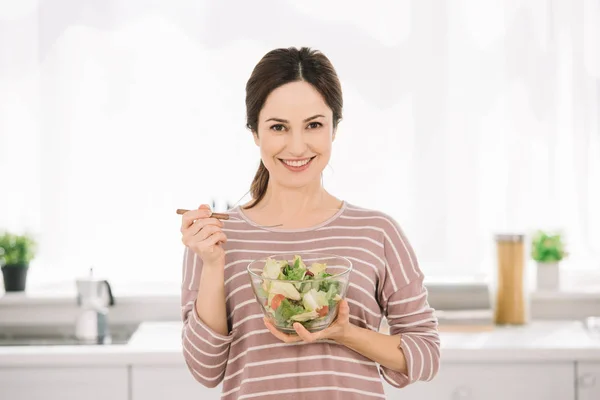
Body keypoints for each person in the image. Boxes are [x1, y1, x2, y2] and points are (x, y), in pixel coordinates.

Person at [179, 47, 440, 400]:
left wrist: (344, 333)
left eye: (314, 125)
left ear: (335, 128)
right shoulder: (215, 236)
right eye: (278, 127)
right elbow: (205, 370)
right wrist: (212, 264)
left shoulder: (377, 233)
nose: (297, 146)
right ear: (255, 132)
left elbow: (425, 356)